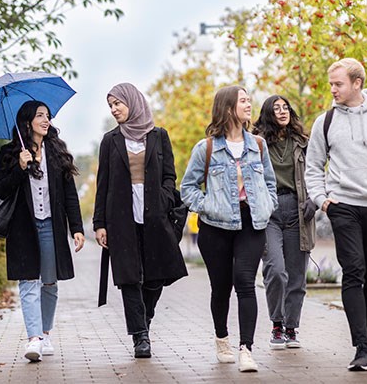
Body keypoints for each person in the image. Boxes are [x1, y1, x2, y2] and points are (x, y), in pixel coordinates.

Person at [305, 58, 367, 371]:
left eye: (338, 84)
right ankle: (361, 346)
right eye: (331, 84)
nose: (332, 89)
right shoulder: (324, 122)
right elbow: (313, 167)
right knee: (353, 271)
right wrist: (323, 201)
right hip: (343, 206)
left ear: (357, 83)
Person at [181, 85, 277, 372]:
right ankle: (221, 337)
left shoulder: (258, 145)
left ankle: (246, 349)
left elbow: (270, 183)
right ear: (227, 108)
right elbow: (187, 188)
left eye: (249, 100)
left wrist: (268, 204)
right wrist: (209, 205)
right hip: (215, 228)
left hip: (251, 223)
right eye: (243, 101)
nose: (249, 105)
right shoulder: (206, 148)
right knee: (221, 287)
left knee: (246, 282)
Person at [93, 82, 188, 359]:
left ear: (132, 103)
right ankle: (140, 336)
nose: (114, 110)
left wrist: (165, 197)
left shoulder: (159, 136)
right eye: (110, 105)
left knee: (155, 276)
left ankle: (144, 320)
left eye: (117, 104)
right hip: (120, 217)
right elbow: (103, 183)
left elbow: (170, 174)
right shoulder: (110, 140)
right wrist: (100, 223)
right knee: (129, 277)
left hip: (155, 216)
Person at [0, 100, 85, 362]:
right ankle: (33, 338)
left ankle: (45, 334)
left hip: (51, 226)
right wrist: (20, 169)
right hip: (24, 227)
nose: (46, 120)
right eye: (40, 116)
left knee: (49, 282)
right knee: (28, 281)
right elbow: (1, 190)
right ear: (27, 121)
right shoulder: (10, 153)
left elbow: (70, 194)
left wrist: (76, 228)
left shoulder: (57, 152)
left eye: (48, 115)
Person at [252, 95, 316, 350]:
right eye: (276, 108)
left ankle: (291, 327)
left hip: (298, 211)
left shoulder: (302, 143)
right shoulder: (256, 144)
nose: (282, 111)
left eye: (286, 107)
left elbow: (314, 173)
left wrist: (313, 198)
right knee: (276, 270)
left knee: (297, 275)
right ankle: (276, 324)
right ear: (268, 113)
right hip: (270, 213)